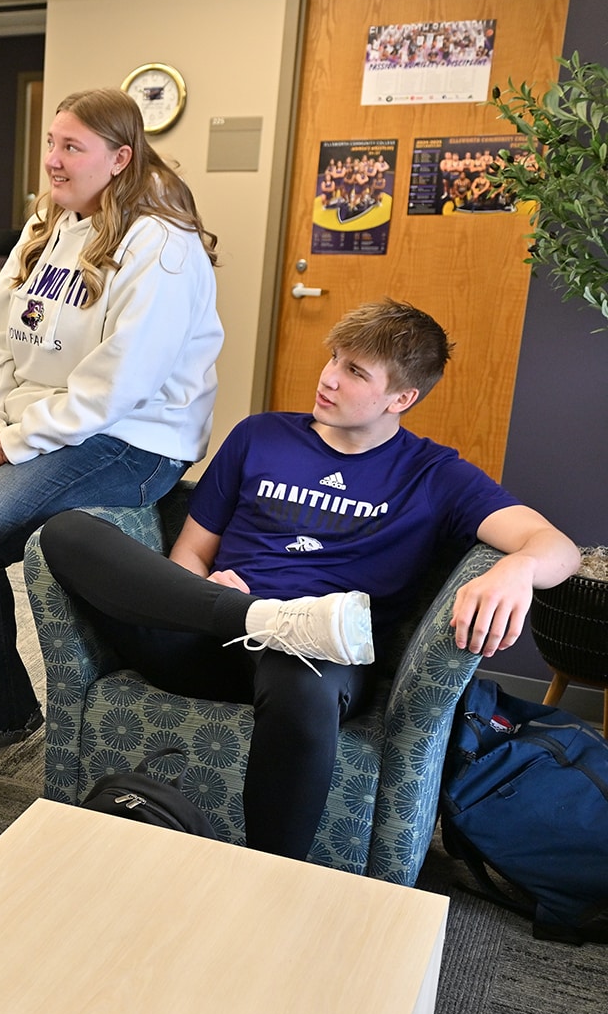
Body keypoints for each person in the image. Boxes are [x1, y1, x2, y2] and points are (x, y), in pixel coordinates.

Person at [37, 299, 580, 859]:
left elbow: (557, 547)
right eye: (334, 358)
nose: (328, 378)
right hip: (206, 635)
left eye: (354, 371)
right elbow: (188, 556)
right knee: (68, 532)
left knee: (301, 668)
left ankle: (271, 874)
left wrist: (517, 567)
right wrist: (207, 591)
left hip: (318, 660)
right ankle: (260, 618)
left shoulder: (435, 476)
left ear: (402, 398)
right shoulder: (259, 437)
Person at [0, 87, 224, 780]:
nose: (52, 160)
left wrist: (19, 440)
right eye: (50, 143)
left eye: (70, 147)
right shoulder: (53, 225)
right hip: (40, 423)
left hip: (133, 438)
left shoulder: (161, 244)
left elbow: (118, 382)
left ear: (119, 158)